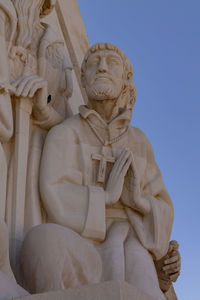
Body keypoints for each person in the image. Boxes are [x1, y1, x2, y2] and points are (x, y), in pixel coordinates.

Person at [20, 43, 174, 300]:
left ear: (125, 81)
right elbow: (54, 190)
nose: (101, 67)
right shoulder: (67, 132)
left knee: (139, 274)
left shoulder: (139, 141)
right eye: (94, 63)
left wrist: (139, 202)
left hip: (131, 245)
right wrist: (106, 197)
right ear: (83, 79)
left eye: (111, 62)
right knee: (41, 241)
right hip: (84, 246)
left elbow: (163, 206)